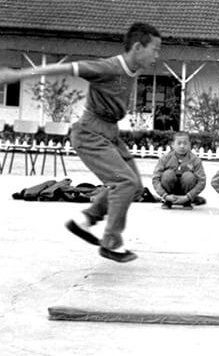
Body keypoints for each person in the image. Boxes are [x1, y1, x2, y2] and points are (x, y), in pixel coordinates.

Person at [0, 22, 162, 262]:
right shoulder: (108, 67)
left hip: (110, 133)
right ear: (138, 47)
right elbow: (65, 68)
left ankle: (84, 221)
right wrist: (19, 75)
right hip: (89, 132)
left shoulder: (132, 69)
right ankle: (111, 242)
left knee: (135, 186)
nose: (157, 56)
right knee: (124, 183)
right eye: (155, 49)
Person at [151, 131, 207, 209]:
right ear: (173, 145)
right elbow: (155, 179)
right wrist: (165, 195)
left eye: (185, 143)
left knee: (189, 176)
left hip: (186, 193)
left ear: (189, 145)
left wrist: (188, 197)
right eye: (179, 143)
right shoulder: (165, 158)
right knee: (168, 174)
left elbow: (202, 181)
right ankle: (167, 202)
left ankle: (187, 203)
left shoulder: (195, 160)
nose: (182, 146)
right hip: (168, 193)